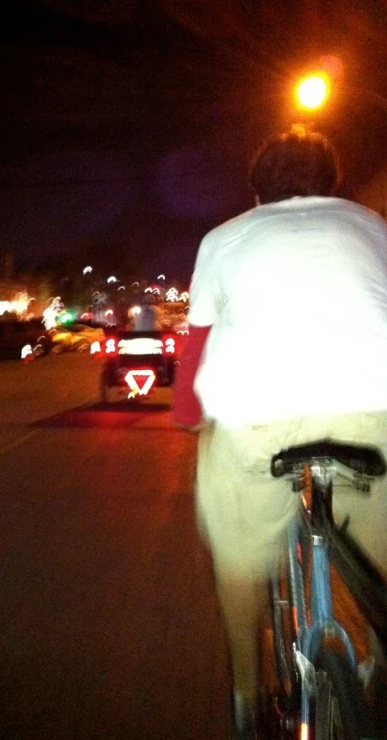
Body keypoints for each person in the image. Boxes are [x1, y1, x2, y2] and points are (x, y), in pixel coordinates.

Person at [174, 125, 387, 739]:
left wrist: (190, 420)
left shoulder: (224, 238)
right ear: (331, 182)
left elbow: (194, 355)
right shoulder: (373, 226)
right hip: (373, 408)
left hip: (258, 418)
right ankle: (378, 659)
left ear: (258, 192)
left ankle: (246, 693)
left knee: (236, 551)